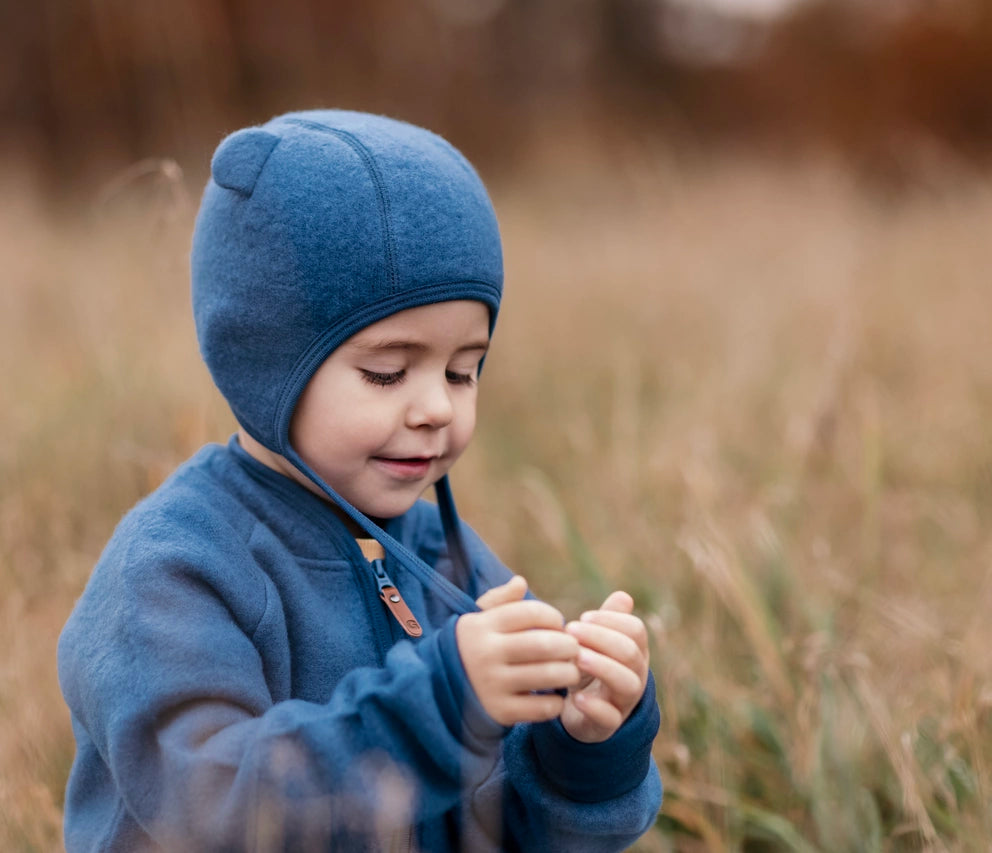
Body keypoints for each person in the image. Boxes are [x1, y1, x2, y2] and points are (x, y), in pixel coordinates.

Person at [57, 109, 662, 852]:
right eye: (387, 371)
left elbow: (507, 829)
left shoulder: (448, 557)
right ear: (268, 365)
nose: (437, 406)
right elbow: (207, 807)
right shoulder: (175, 565)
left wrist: (586, 749)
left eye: (464, 369)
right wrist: (438, 709)